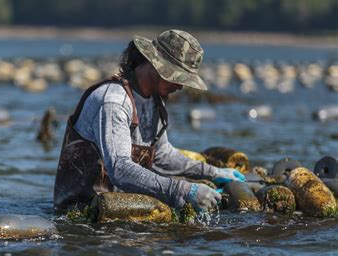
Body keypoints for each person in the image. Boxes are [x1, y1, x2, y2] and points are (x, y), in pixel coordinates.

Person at [54, 29, 245, 214]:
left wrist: (214, 172)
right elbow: (120, 169)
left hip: (120, 208)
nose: (180, 86)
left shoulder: (154, 100)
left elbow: (163, 156)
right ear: (155, 64)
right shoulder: (113, 101)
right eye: (176, 77)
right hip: (81, 214)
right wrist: (184, 191)